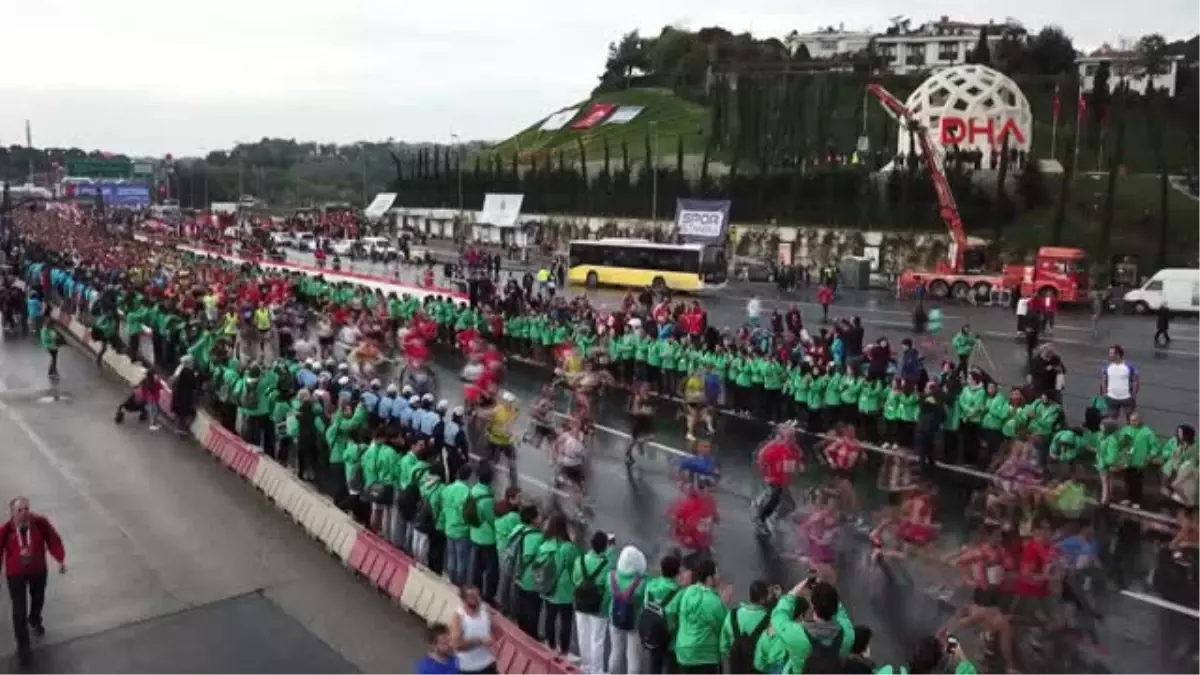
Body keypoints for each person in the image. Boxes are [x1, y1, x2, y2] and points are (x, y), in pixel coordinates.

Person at [0, 497, 67, 667]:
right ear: (12, 513)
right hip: (15, 574)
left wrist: (60, 559)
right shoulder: (6, 530)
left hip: (38, 570)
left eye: (26, 509)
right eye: (19, 510)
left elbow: (53, 539)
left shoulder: (39, 523)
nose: (24, 513)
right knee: (18, 610)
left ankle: (35, 618)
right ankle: (23, 648)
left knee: (38, 599)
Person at [665, 558, 732, 675]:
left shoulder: (688, 592)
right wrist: (723, 603)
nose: (718, 577)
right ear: (709, 579)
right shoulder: (714, 602)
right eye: (716, 573)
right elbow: (723, 627)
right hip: (705, 656)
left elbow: (670, 610)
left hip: (684, 653)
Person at [608, 545, 648, 675]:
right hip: (634, 622)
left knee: (615, 651)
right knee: (633, 658)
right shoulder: (642, 582)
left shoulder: (611, 577)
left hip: (615, 617)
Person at [449, 586, 498, 675]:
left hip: (487, 664)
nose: (476, 599)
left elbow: (497, 634)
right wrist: (480, 641)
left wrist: (494, 623)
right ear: (463, 599)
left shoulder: (485, 610)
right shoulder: (459, 617)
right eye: (471, 596)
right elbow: (457, 646)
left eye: (477, 595)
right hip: (468, 669)